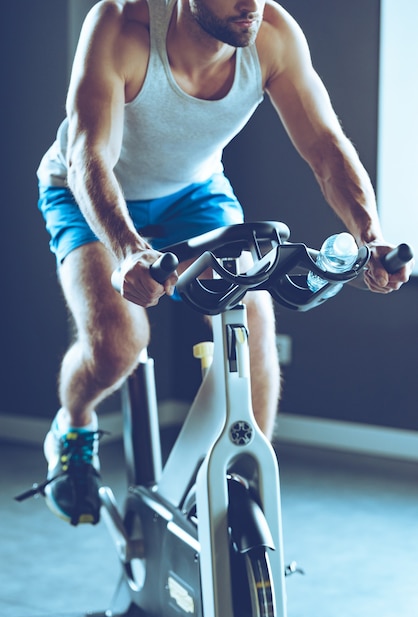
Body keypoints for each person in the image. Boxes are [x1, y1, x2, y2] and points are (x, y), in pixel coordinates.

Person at [36, 0, 412, 526]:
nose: (249, 4)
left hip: (194, 192)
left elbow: (326, 147)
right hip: (90, 192)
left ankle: (245, 477)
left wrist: (369, 237)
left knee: (252, 316)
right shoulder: (122, 24)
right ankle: (73, 425)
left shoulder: (273, 35)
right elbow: (88, 154)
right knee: (118, 344)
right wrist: (128, 250)